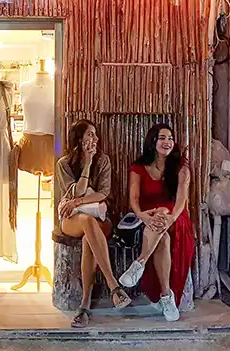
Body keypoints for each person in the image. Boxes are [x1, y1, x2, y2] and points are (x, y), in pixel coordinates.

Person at [55, 120, 132, 328]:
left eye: (95, 135)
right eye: (90, 135)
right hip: (72, 219)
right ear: (79, 140)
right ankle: (113, 286)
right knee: (87, 223)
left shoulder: (104, 161)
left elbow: (103, 193)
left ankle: (85, 304)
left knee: (91, 229)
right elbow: (77, 191)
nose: (95, 140)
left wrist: (78, 202)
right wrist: (87, 163)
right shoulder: (63, 164)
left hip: (99, 217)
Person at [119, 123, 194, 322]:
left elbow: (181, 202)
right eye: (162, 137)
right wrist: (142, 215)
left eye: (170, 138)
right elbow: (133, 200)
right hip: (148, 216)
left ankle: (139, 263)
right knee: (163, 240)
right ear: (153, 141)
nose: (167, 142)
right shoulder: (138, 167)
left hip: (176, 218)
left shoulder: (181, 167)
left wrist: (170, 217)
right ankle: (165, 295)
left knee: (162, 213)